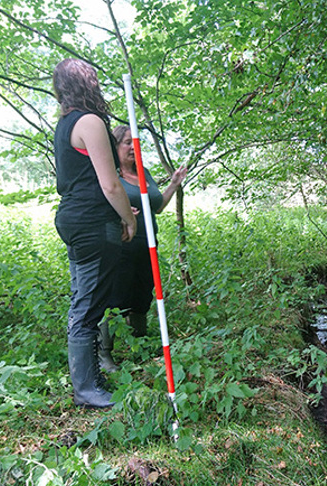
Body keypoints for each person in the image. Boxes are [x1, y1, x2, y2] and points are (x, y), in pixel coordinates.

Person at [52, 58, 136, 409]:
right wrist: (128, 220)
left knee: (82, 298)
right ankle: (86, 388)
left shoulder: (64, 123)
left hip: (73, 218)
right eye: (95, 80)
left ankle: (88, 378)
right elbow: (110, 184)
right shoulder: (90, 121)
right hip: (91, 222)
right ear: (88, 84)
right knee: (87, 305)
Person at [96, 125, 188, 372]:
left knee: (141, 295)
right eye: (127, 143)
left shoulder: (144, 173)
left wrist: (174, 183)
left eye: (135, 143)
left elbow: (156, 207)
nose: (132, 148)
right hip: (120, 245)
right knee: (114, 298)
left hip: (148, 244)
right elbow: (102, 203)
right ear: (115, 147)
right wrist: (121, 213)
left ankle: (140, 346)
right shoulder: (110, 174)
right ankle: (104, 355)